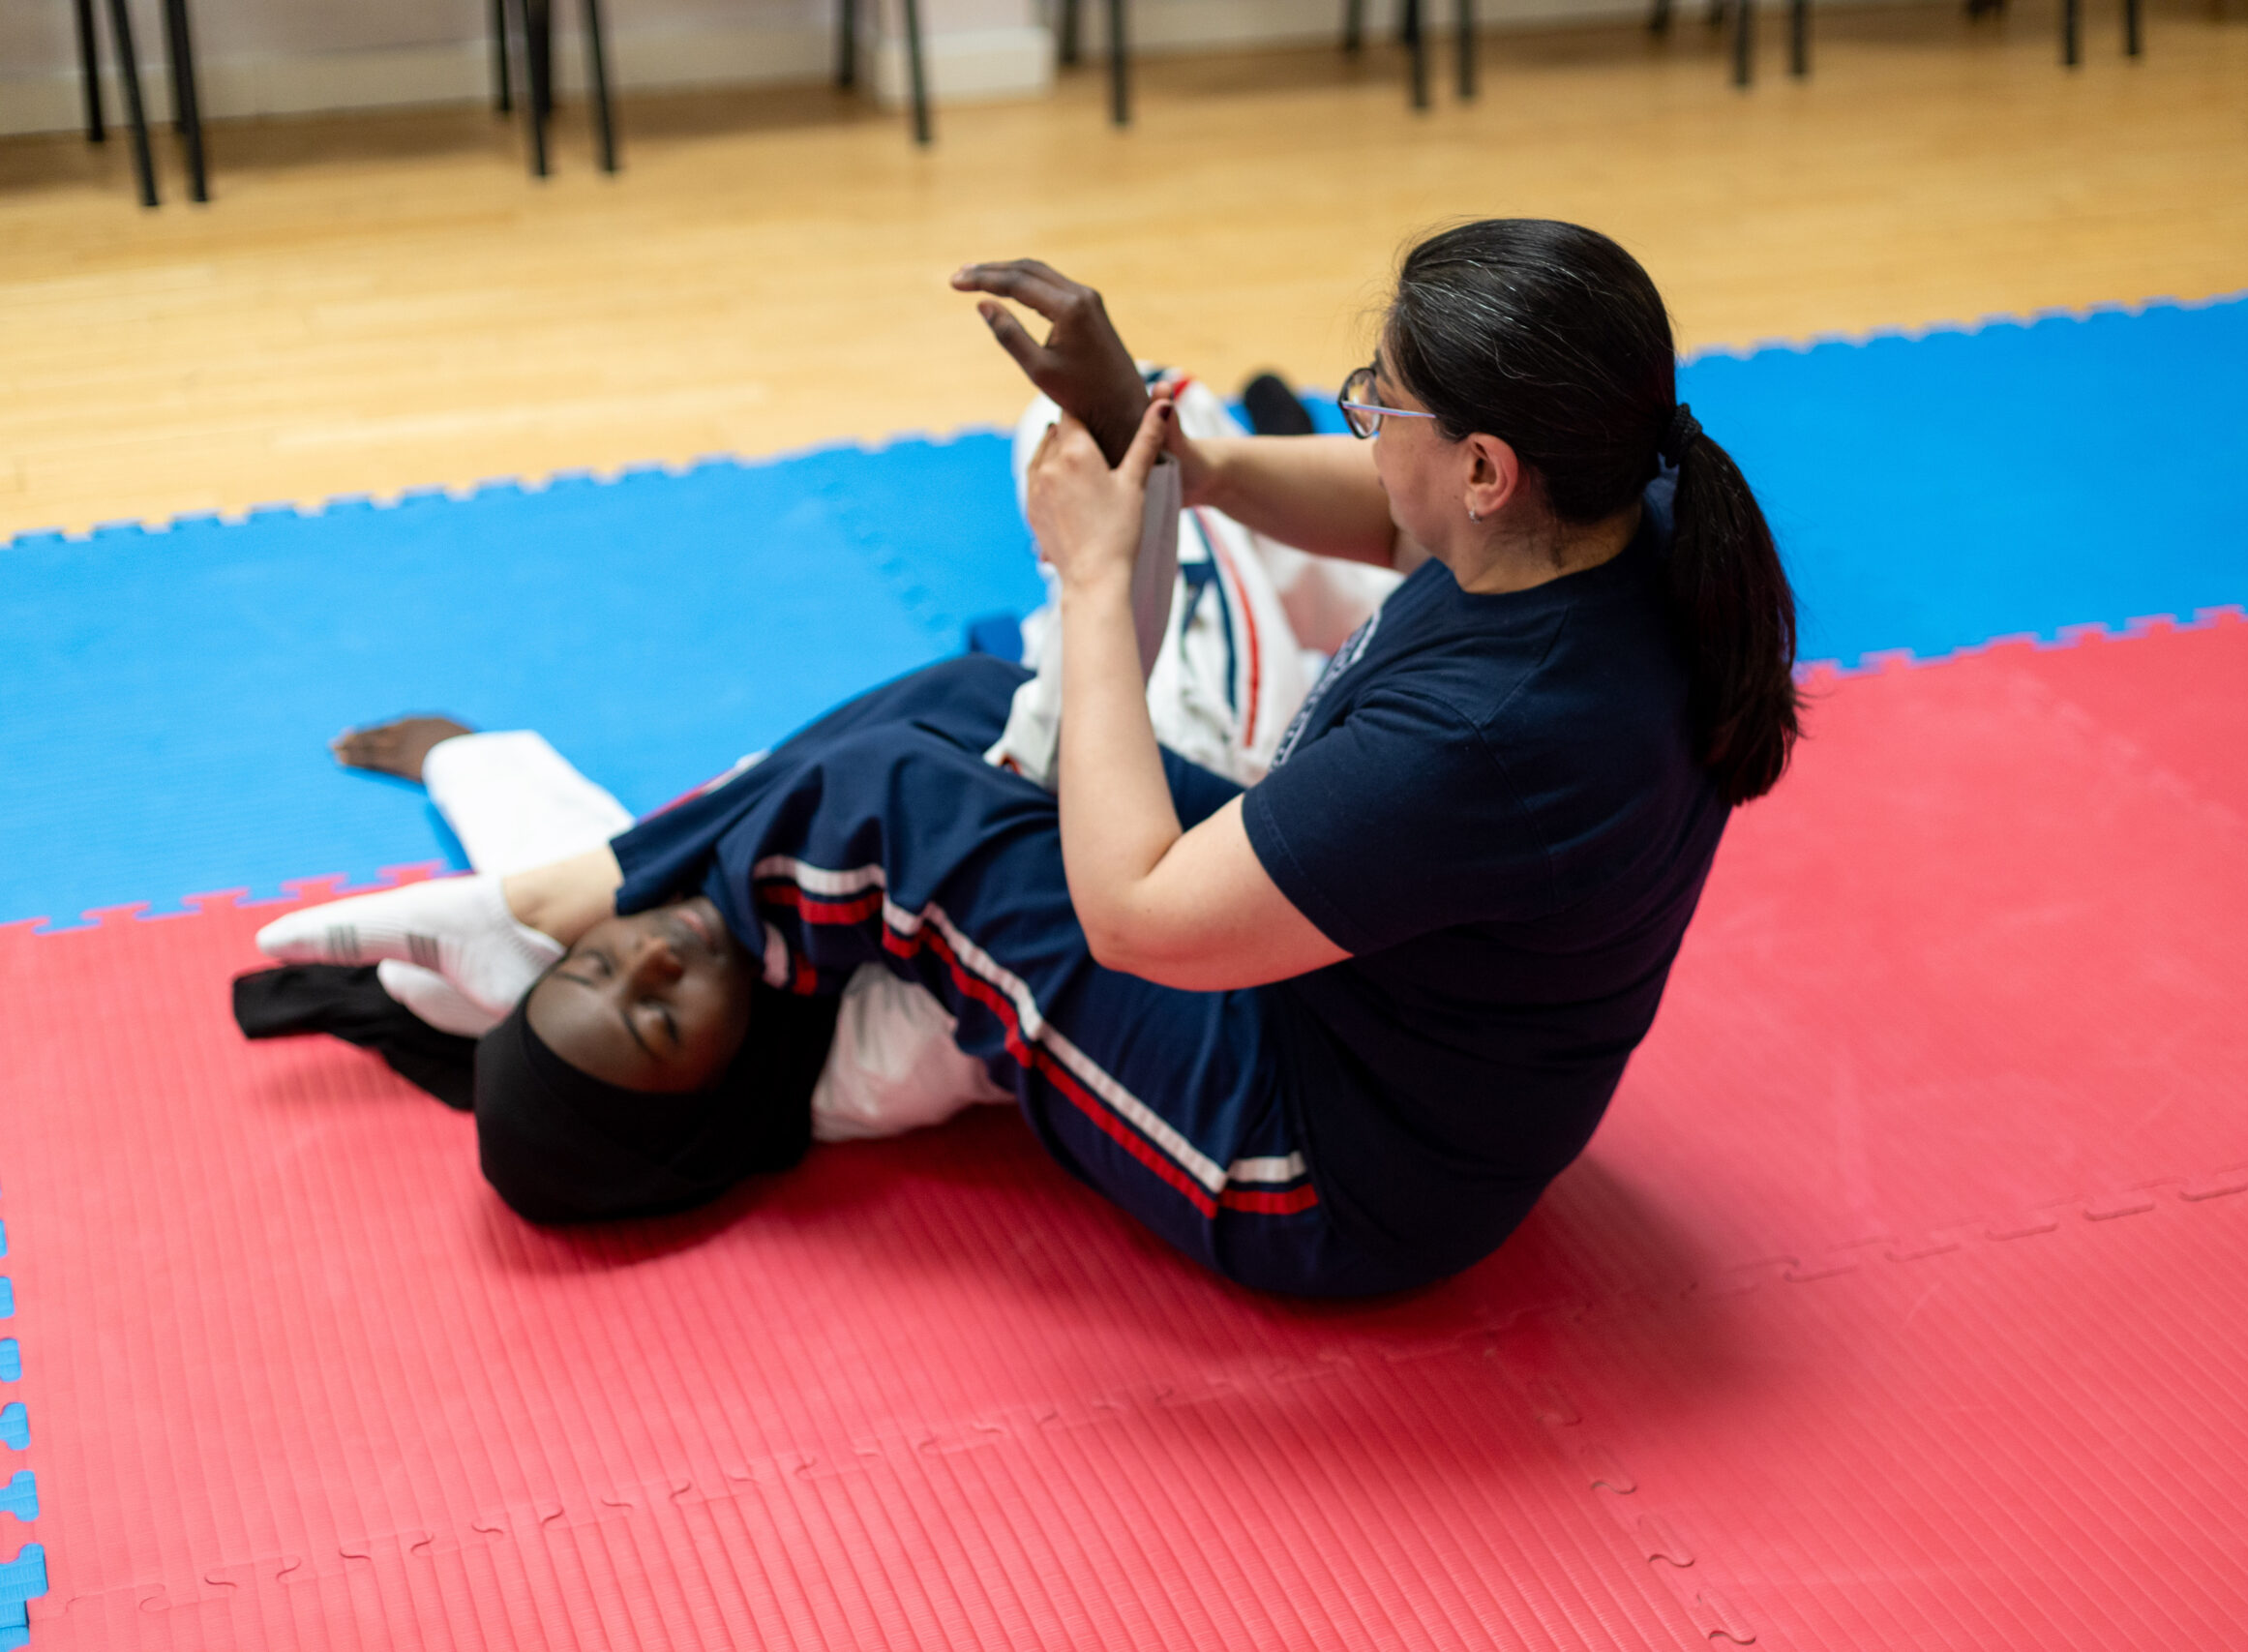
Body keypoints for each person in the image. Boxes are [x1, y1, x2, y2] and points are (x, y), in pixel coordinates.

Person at [254, 219, 1802, 1296]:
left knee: (909, 805)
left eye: (1377, 399)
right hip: (1365, 1018)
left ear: (1488, 465)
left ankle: (572, 926)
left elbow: (1133, 917)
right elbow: (1391, 511)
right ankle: (577, 897)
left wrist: (1089, 577)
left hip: (1317, 1170)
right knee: (953, 695)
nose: (1360, 421)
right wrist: (1145, 424)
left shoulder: (1487, 734)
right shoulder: (1612, 515)